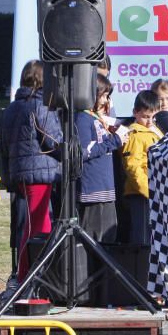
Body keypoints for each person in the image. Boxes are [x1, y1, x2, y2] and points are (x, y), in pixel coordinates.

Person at [0, 59, 64, 283]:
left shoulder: (13, 107)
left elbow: (4, 145)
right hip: (39, 172)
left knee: (30, 225)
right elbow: (53, 140)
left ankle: (26, 273)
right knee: (40, 226)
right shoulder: (40, 105)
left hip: (20, 173)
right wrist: (72, 152)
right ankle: (34, 276)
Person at [75, 73, 123, 243]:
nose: (105, 101)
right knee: (93, 238)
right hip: (92, 190)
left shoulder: (97, 118)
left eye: (107, 96)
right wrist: (114, 141)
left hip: (106, 188)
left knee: (109, 237)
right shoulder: (83, 118)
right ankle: (90, 270)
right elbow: (85, 151)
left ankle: (104, 270)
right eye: (102, 96)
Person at [120, 90, 162, 245]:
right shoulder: (135, 135)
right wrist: (146, 190)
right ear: (135, 113)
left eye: (153, 116)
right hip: (141, 194)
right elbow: (132, 166)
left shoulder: (156, 132)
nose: (150, 121)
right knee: (142, 235)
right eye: (145, 116)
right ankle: (139, 267)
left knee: (153, 235)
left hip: (156, 191)